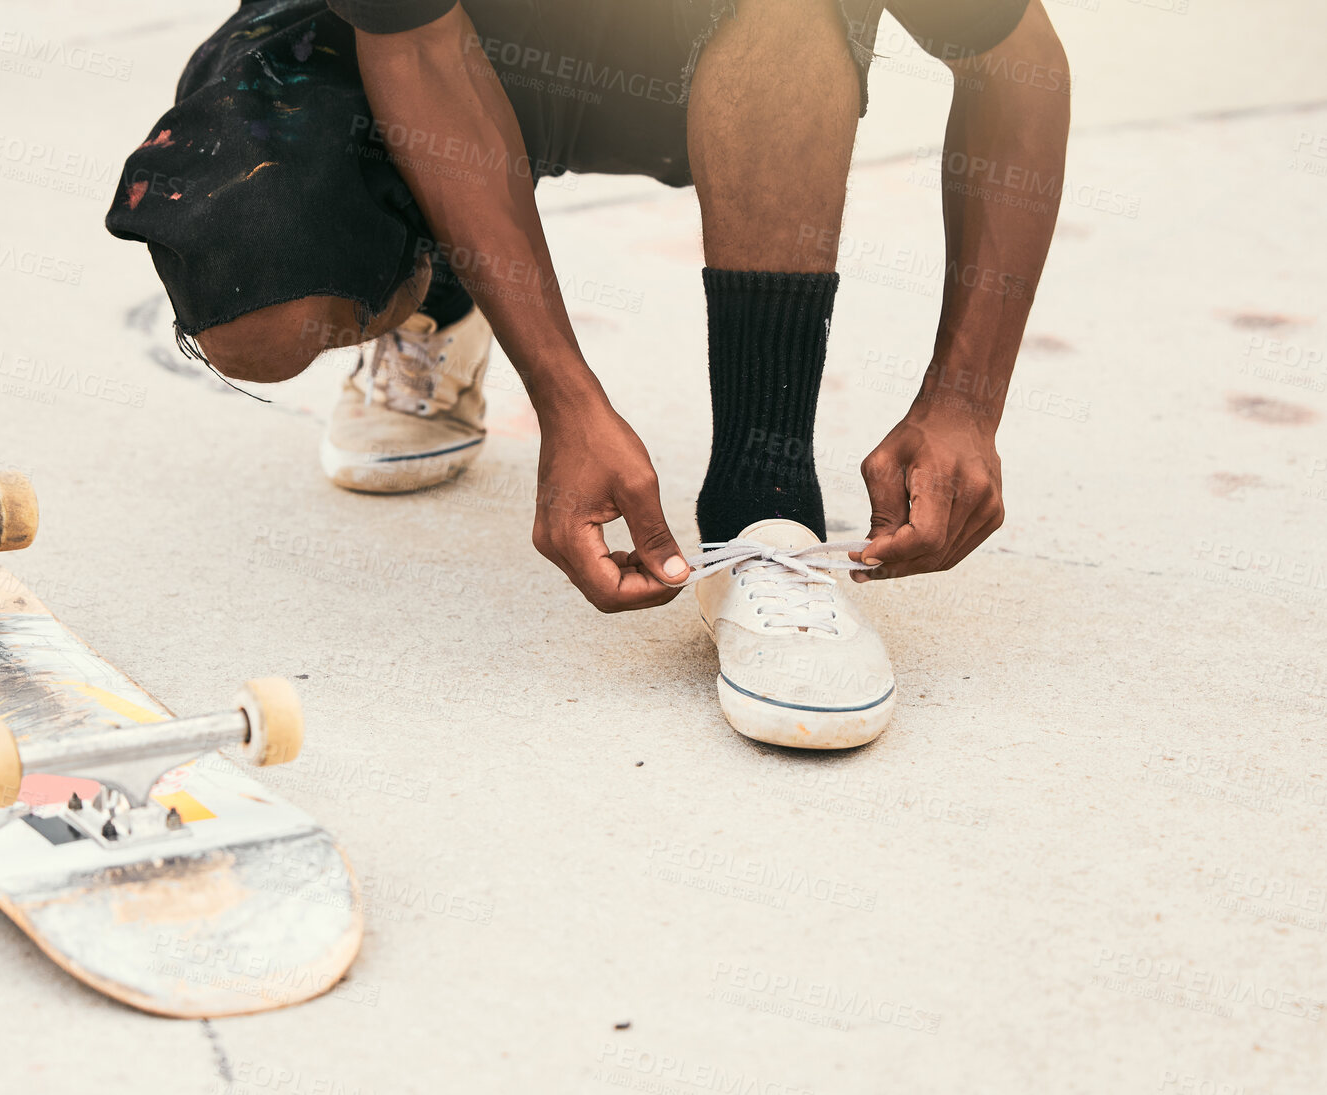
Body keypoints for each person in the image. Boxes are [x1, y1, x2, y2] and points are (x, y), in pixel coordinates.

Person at [108, 0, 1070, 748]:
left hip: (698, 47)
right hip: (414, 39)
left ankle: (762, 494)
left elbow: (1014, 61)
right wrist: (564, 396)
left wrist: (965, 399)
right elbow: (416, 50)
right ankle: (445, 290)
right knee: (252, 300)